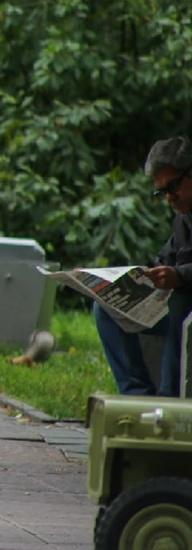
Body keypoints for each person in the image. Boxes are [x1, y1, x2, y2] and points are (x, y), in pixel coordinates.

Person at [93, 136, 192, 397]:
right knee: (105, 309)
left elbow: (180, 273)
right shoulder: (183, 219)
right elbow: (166, 258)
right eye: (162, 192)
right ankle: (136, 394)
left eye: (173, 187)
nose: (170, 198)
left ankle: (169, 399)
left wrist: (180, 276)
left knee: (180, 302)